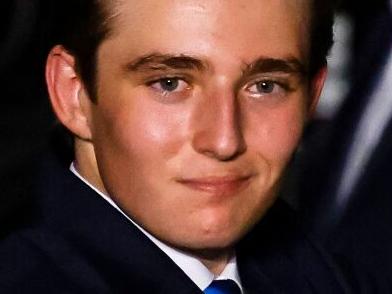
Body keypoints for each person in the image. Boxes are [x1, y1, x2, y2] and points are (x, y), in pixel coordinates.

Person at [0, 0, 349, 293]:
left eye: (266, 86)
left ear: (312, 98)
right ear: (73, 94)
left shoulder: (321, 272)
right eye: (170, 83)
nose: (224, 140)